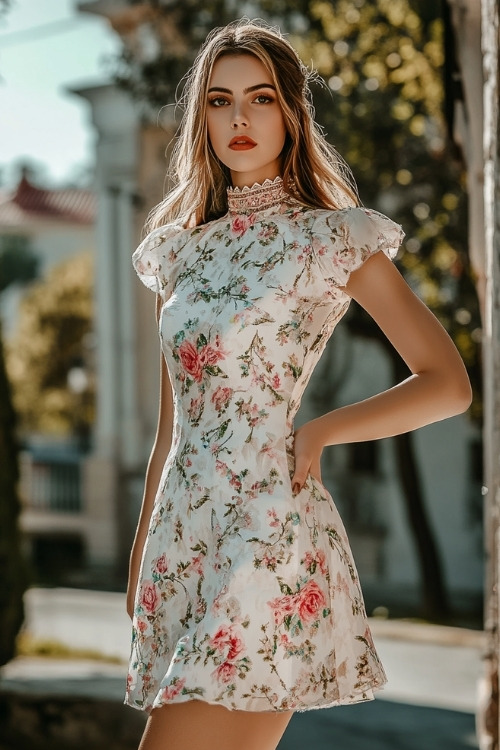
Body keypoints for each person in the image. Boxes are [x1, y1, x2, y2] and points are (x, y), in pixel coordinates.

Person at [125, 18, 472, 750]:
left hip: (267, 529)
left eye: (260, 98)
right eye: (220, 101)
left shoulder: (332, 239)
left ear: (291, 112)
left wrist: (322, 429)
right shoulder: (178, 252)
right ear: (203, 119)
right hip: (183, 537)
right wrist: (143, 554)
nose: (240, 118)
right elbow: (171, 427)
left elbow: (447, 384)